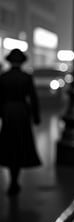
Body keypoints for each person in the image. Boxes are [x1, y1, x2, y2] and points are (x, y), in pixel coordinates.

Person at [0, 48, 41, 195]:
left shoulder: (3, 77)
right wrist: (36, 117)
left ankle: (12, 178)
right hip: (22, 112)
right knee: (20, 143)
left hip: (8, 112)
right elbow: (33, 98)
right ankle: (15, 179)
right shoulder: (26, 77)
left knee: (9, 143)